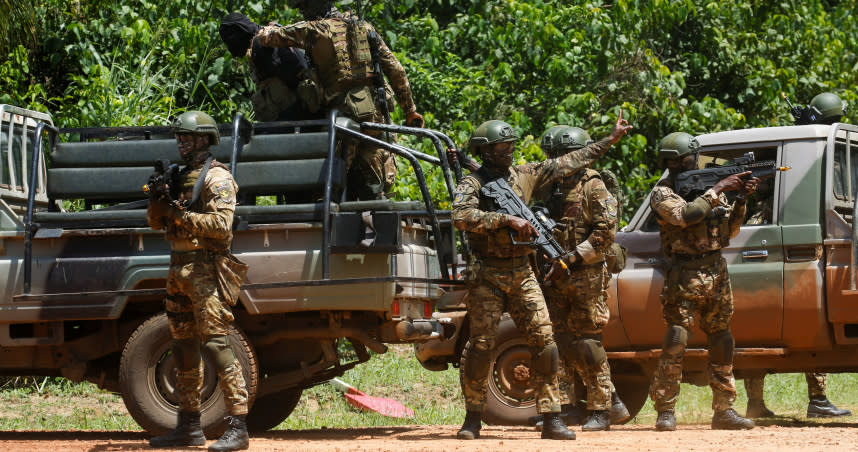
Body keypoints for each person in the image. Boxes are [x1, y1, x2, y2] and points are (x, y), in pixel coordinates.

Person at [452, 113, 631, 440]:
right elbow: (461, 215)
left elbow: (569, 161)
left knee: (546, 343)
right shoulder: (472, 183)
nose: (509, 151)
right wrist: (505, 219)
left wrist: (610, 140)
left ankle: (552, 416)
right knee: (480, 346)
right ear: (486, 151)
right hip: (487, 273)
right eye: (501, 147)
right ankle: (473, 417)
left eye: (510, 146)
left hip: (522, 272)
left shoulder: (525, 174)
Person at [147, 111, 250, 452]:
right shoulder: (179, 176)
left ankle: (238, 425)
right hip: (179, 269)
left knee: (217, 345)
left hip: (206, 269)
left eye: (187, 138)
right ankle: (189, 426)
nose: (181, 143)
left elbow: (222, 225)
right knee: (183, 347)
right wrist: (158, 200)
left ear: (204, 139)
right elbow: (155, 224)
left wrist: (181, 214)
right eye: (179, 138)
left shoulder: (216, 177)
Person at [255, 0, 425, 200]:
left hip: (343, 119)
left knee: (330, 186)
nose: (303, 13)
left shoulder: (313, 30)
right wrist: (410, 110)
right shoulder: (364, 28)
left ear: (313, 8)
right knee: (375, 187)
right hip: (375, 114)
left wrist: (269, 29)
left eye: (304, 8)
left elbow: (266, 38)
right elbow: (396, 70)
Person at [648, 132, 758, 431]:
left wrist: (740, 199)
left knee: (722, 340)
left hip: (716, 272)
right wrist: (720, 186)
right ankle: (665, 409)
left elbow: (729, 231)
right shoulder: (663, 193)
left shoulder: (709, 187)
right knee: (677, 340)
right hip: (684, 274)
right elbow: (686, 215)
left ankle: (724, 410)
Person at [536, 125, 631, 431]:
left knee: (588, 343)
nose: (558, 162)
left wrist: (572, 259)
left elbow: (605, 233)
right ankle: (567, 407)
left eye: (563, 156)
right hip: (554, 274)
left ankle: (603, 408)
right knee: (559, 342)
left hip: (586, 274)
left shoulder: (593, 186)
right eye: (553, 156)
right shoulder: (547, 187)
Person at [742, 178, 852, 419]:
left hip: (769, 286)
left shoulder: (764, 214)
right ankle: (815, 400)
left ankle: (759, 403)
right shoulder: (765, 216)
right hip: (773, 286)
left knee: (760, 343)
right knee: (798, 338)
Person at [219, 12, 311, 122]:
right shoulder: (268, 35)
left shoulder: (260, 46)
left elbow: (288, 80)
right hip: (300, 109)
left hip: (292, 115)